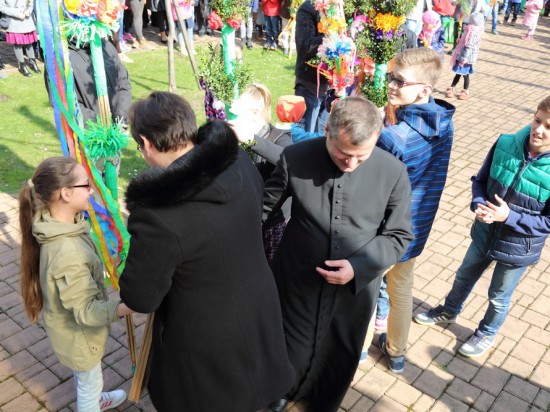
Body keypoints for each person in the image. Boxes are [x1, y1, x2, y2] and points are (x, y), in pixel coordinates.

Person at [118, 92, 294, 411]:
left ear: (146, 143)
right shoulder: (236, 158)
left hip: (206, 343)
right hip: (257, 306)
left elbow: (141, 297)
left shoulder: (157, 213)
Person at [263, 97, 414, 412]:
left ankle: (323, 402)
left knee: (339, 353)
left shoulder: (393, 171)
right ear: (327, 132)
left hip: (354, 288)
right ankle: (280, 389)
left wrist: (358, 267)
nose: (351, 164)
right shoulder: (296, 157)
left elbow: (399, 235)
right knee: (289, 339)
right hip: (297, 278)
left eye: (362, 156)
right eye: (343, 154)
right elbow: (264, 209)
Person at [414, 95, 550, 357]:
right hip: (484, 232)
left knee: (499, 296)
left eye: (549, 126)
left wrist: (508, 217)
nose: (539, 130)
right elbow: (480, 181)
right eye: (537, 120)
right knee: (463, 276)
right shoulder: (505, 143)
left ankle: (486, 332)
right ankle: (448, 311)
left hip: (518, 248)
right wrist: (479, 204)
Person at [18, 157, 132, 411]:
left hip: (72, 332)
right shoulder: (67, 251)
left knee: (88, 378)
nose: (91, 190)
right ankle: (91, 403)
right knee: (90, 383)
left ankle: (94, 398)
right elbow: (86, 311)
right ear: (66, 193)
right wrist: (127, 307)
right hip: (80, 336)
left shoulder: (62, 224)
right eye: (86, 185)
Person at [373, 48, 456, 373]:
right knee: (402, 287)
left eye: (400, 81)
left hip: (384, 230)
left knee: (366, 289)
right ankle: (396, 353)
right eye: (391, 77)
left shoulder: (395, 138)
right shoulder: (444, 122)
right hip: (417, 227)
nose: (391, 85)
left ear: (424, 89)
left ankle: (357, 351)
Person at [45, 39, 132, 125]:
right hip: (88, 130)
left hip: (118, 128)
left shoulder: (106, 46)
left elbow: (123, 82)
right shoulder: (59, 57)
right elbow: (64, 102)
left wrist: (121, 118)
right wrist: (99, 126)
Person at [445, 12, 484, 100]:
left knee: (465, 75)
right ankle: (452, 87)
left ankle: (465, 90)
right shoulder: (468, 29)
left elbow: (468, 47)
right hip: (463, 56)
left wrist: (463, 59)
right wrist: (460, 40)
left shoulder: (473, 32)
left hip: (466, 59)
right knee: (458, 74)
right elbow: (464, 41)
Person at [0, 0, 40, 77]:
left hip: (27, 19)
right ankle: (22, 65)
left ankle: (32, 62)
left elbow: (30, 2)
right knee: (18, 44)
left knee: (29, 42)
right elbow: (1, 7)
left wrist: (29, 10)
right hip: (14, 20)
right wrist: (17, 13)